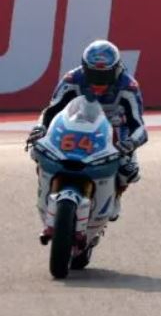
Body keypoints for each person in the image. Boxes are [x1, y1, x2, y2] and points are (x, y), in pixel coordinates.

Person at [25, 40, 147, 220]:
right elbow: (52, 110)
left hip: (115, 129)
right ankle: (45, 189)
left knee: (128, 171)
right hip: (77, 125)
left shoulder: (128, 86)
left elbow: (138, 125)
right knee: (39, 151)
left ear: (117, 70)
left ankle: (115, 195)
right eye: (93, 73)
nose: (98, 81)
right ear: (84, 69)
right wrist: (40, 127)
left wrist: (131, 143)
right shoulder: (72, 79)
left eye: (104, 74)